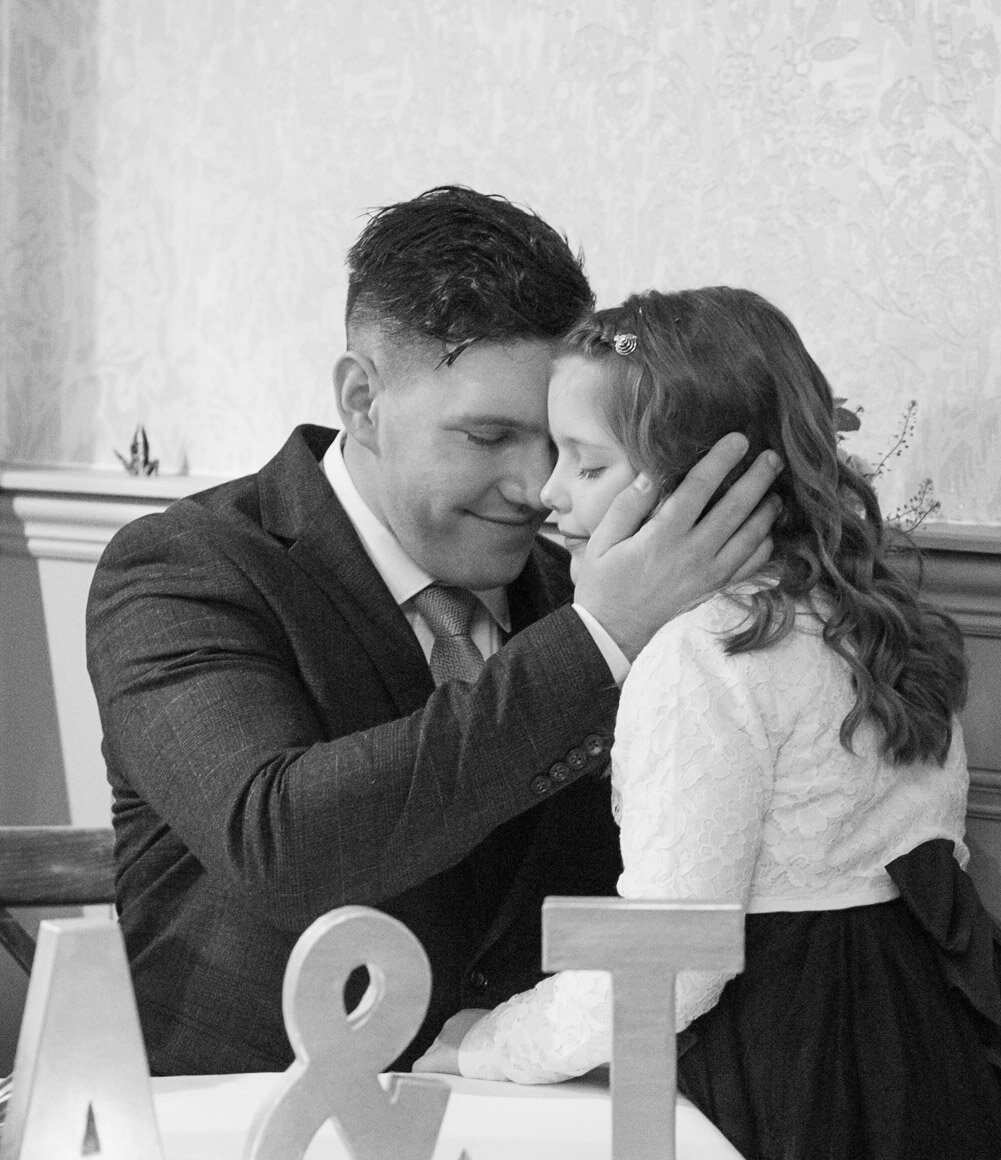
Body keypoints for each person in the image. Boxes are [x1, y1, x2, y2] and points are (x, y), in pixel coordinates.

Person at [415, 285, 1001, 1160]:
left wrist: (487, 1045)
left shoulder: (698, 657)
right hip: (914, 1044)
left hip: (776, 1070)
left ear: (690, 484)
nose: (547, 494)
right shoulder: (875, 620)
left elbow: (672, 960)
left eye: (583, 462)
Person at [85, 187, 777, 1077]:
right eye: (490, 436)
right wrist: (598, 641)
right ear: (363, 399)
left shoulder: (596, 578)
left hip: (549, 1125)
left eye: (564, 445)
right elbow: (279, 842)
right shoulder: (186, 567)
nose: (537, 487)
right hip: (245, 1130)